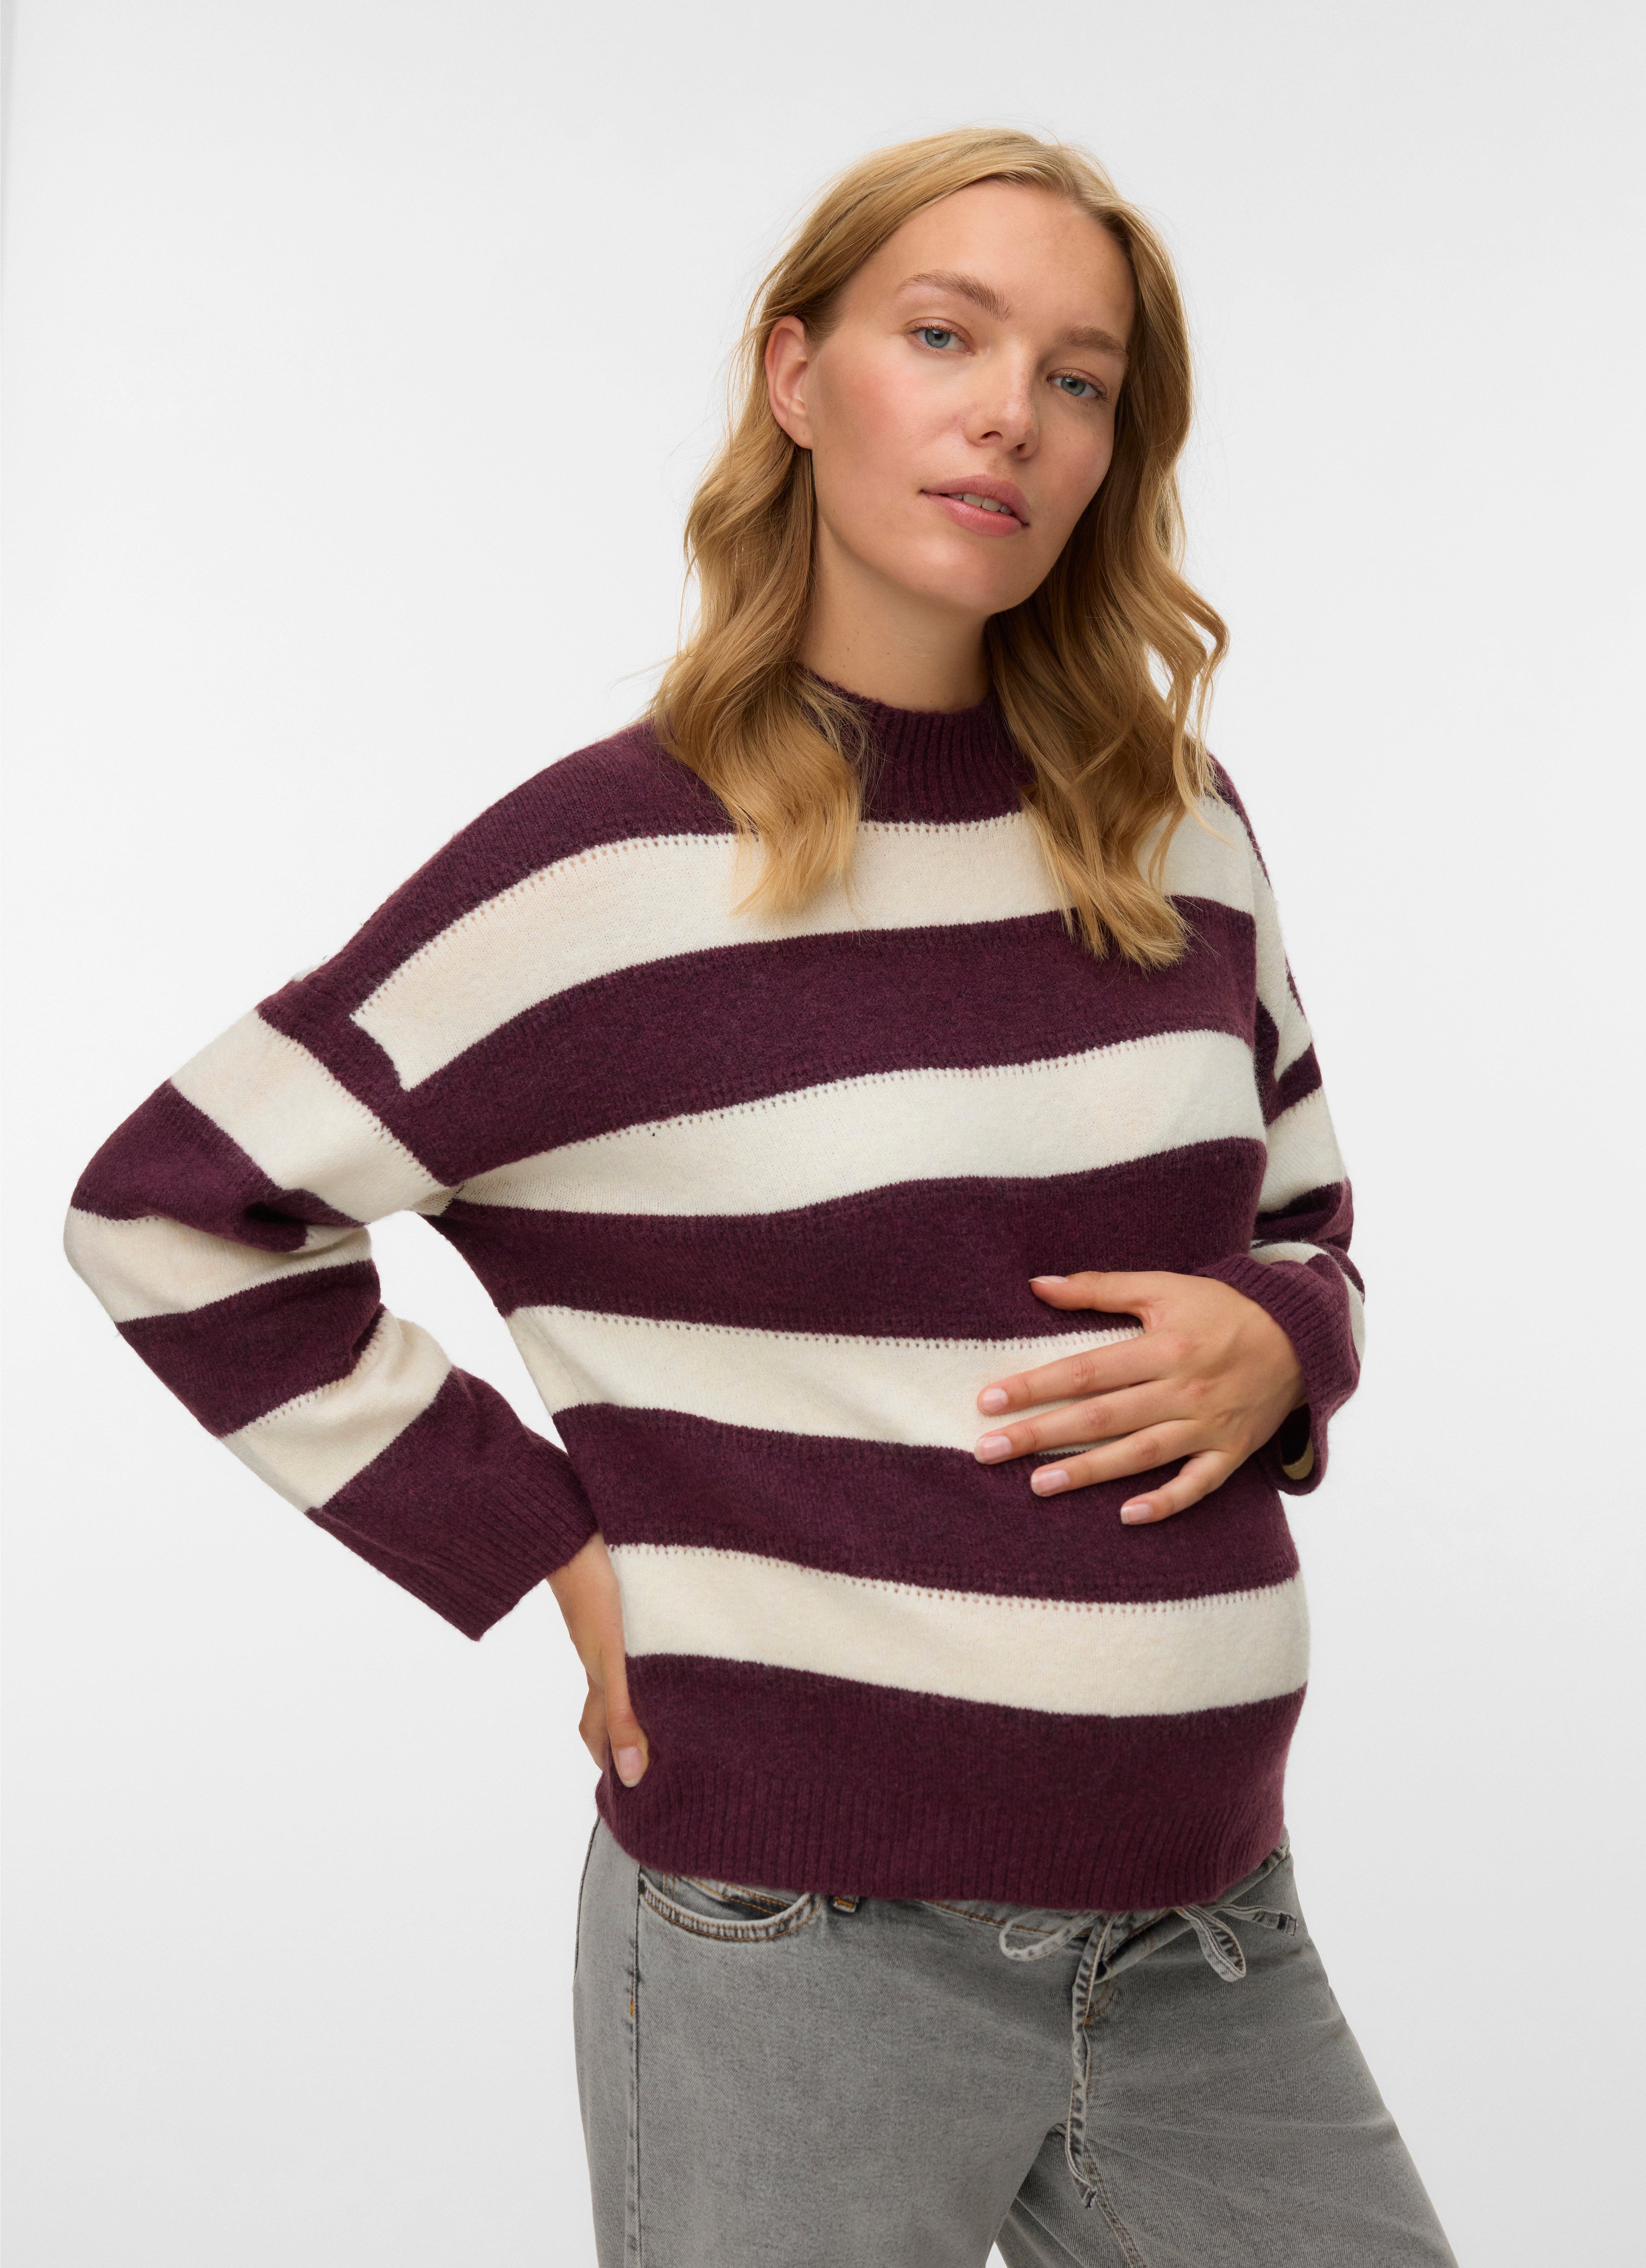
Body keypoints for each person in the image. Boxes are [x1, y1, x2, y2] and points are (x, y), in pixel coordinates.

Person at [65, 126, 1455, 2267]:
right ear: (798, 378)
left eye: (1080, 379)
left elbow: (1307, 1223)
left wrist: (1286, 1345)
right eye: (945, 337)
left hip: (1210, 1931)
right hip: (807, 1949)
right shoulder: (608, 870)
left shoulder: (1176, 825)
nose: (1011, 414)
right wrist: (546, 1546)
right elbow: (171, 1215)